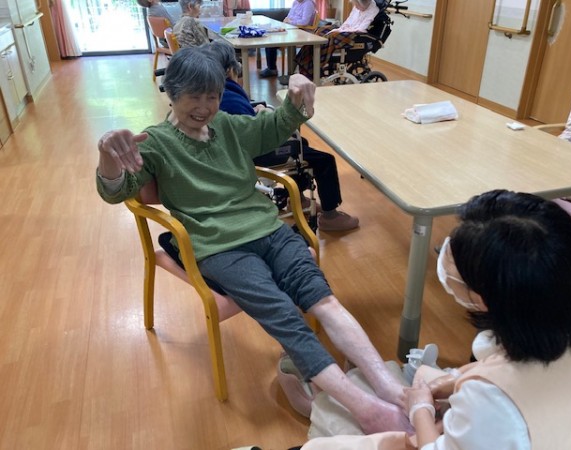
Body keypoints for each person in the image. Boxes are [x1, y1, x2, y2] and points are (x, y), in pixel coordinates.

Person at [96, 46, 409, 434]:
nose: (205, 107)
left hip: (269, 231)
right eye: (194, 96)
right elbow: (116, 191)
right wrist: (108, 154)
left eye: (212, 96)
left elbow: (274, 127)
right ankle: (366, 410)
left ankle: (389, 389)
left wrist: (296, 94)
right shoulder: (156, 142)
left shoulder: (227, 125)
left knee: (323, 299)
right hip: (219, 246)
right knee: (285, 315)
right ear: (172, 93)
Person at [301, 189, 571, 449]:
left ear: (483, 298)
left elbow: (493, 400)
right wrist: (458, 378)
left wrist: (420, 411)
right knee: (424, 379)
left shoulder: (490, 400)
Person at [204, 40, 358, 231]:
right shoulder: (231, 96)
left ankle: (298, 199)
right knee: (324, 159)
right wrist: (264, 113)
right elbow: (252, 131)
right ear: (230, 70)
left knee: (302, 144)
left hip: (233, 152)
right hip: (256, 152)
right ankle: (330, 216)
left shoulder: (212, 93)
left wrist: (255, 112)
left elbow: (240, 122)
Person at [295, 0, 379, 78]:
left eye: (357, 5)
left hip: (354, 35)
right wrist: (340, 29)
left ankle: (315, 64)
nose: (355, 7)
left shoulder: (373, 10)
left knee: (332, 36)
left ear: (362, 3)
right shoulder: (357, 7)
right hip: (346, 30)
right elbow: (348, 22)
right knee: (321, 30)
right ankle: (306, 59)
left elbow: (361, 29)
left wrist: (341, 31)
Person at [259, 0, 317, 78]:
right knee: (270, 39)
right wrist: (290, 21)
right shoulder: (295, 2)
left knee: (273, 41)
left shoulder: (308, 3)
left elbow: (304, 22)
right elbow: (288, 17)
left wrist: (290, 21)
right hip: (292, 30)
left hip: (303, 33)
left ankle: (277, 70)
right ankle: (272, 68)